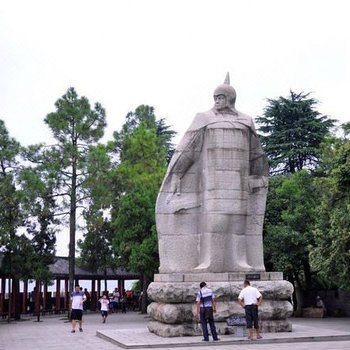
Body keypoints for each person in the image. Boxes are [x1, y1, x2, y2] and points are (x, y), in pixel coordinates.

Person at [156, 73, 268, 274]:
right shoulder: (204, 119)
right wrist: (177, 174)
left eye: (221, 97)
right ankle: (210, 262)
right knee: (216, 222)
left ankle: (240, 262)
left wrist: (258, 177)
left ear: (230, 99)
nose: (217, 101)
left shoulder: (246, 121)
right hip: (213, 184)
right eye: (215, 97)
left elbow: (256, 154)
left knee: (237, 223)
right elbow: (188, 149)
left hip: (239, 183)